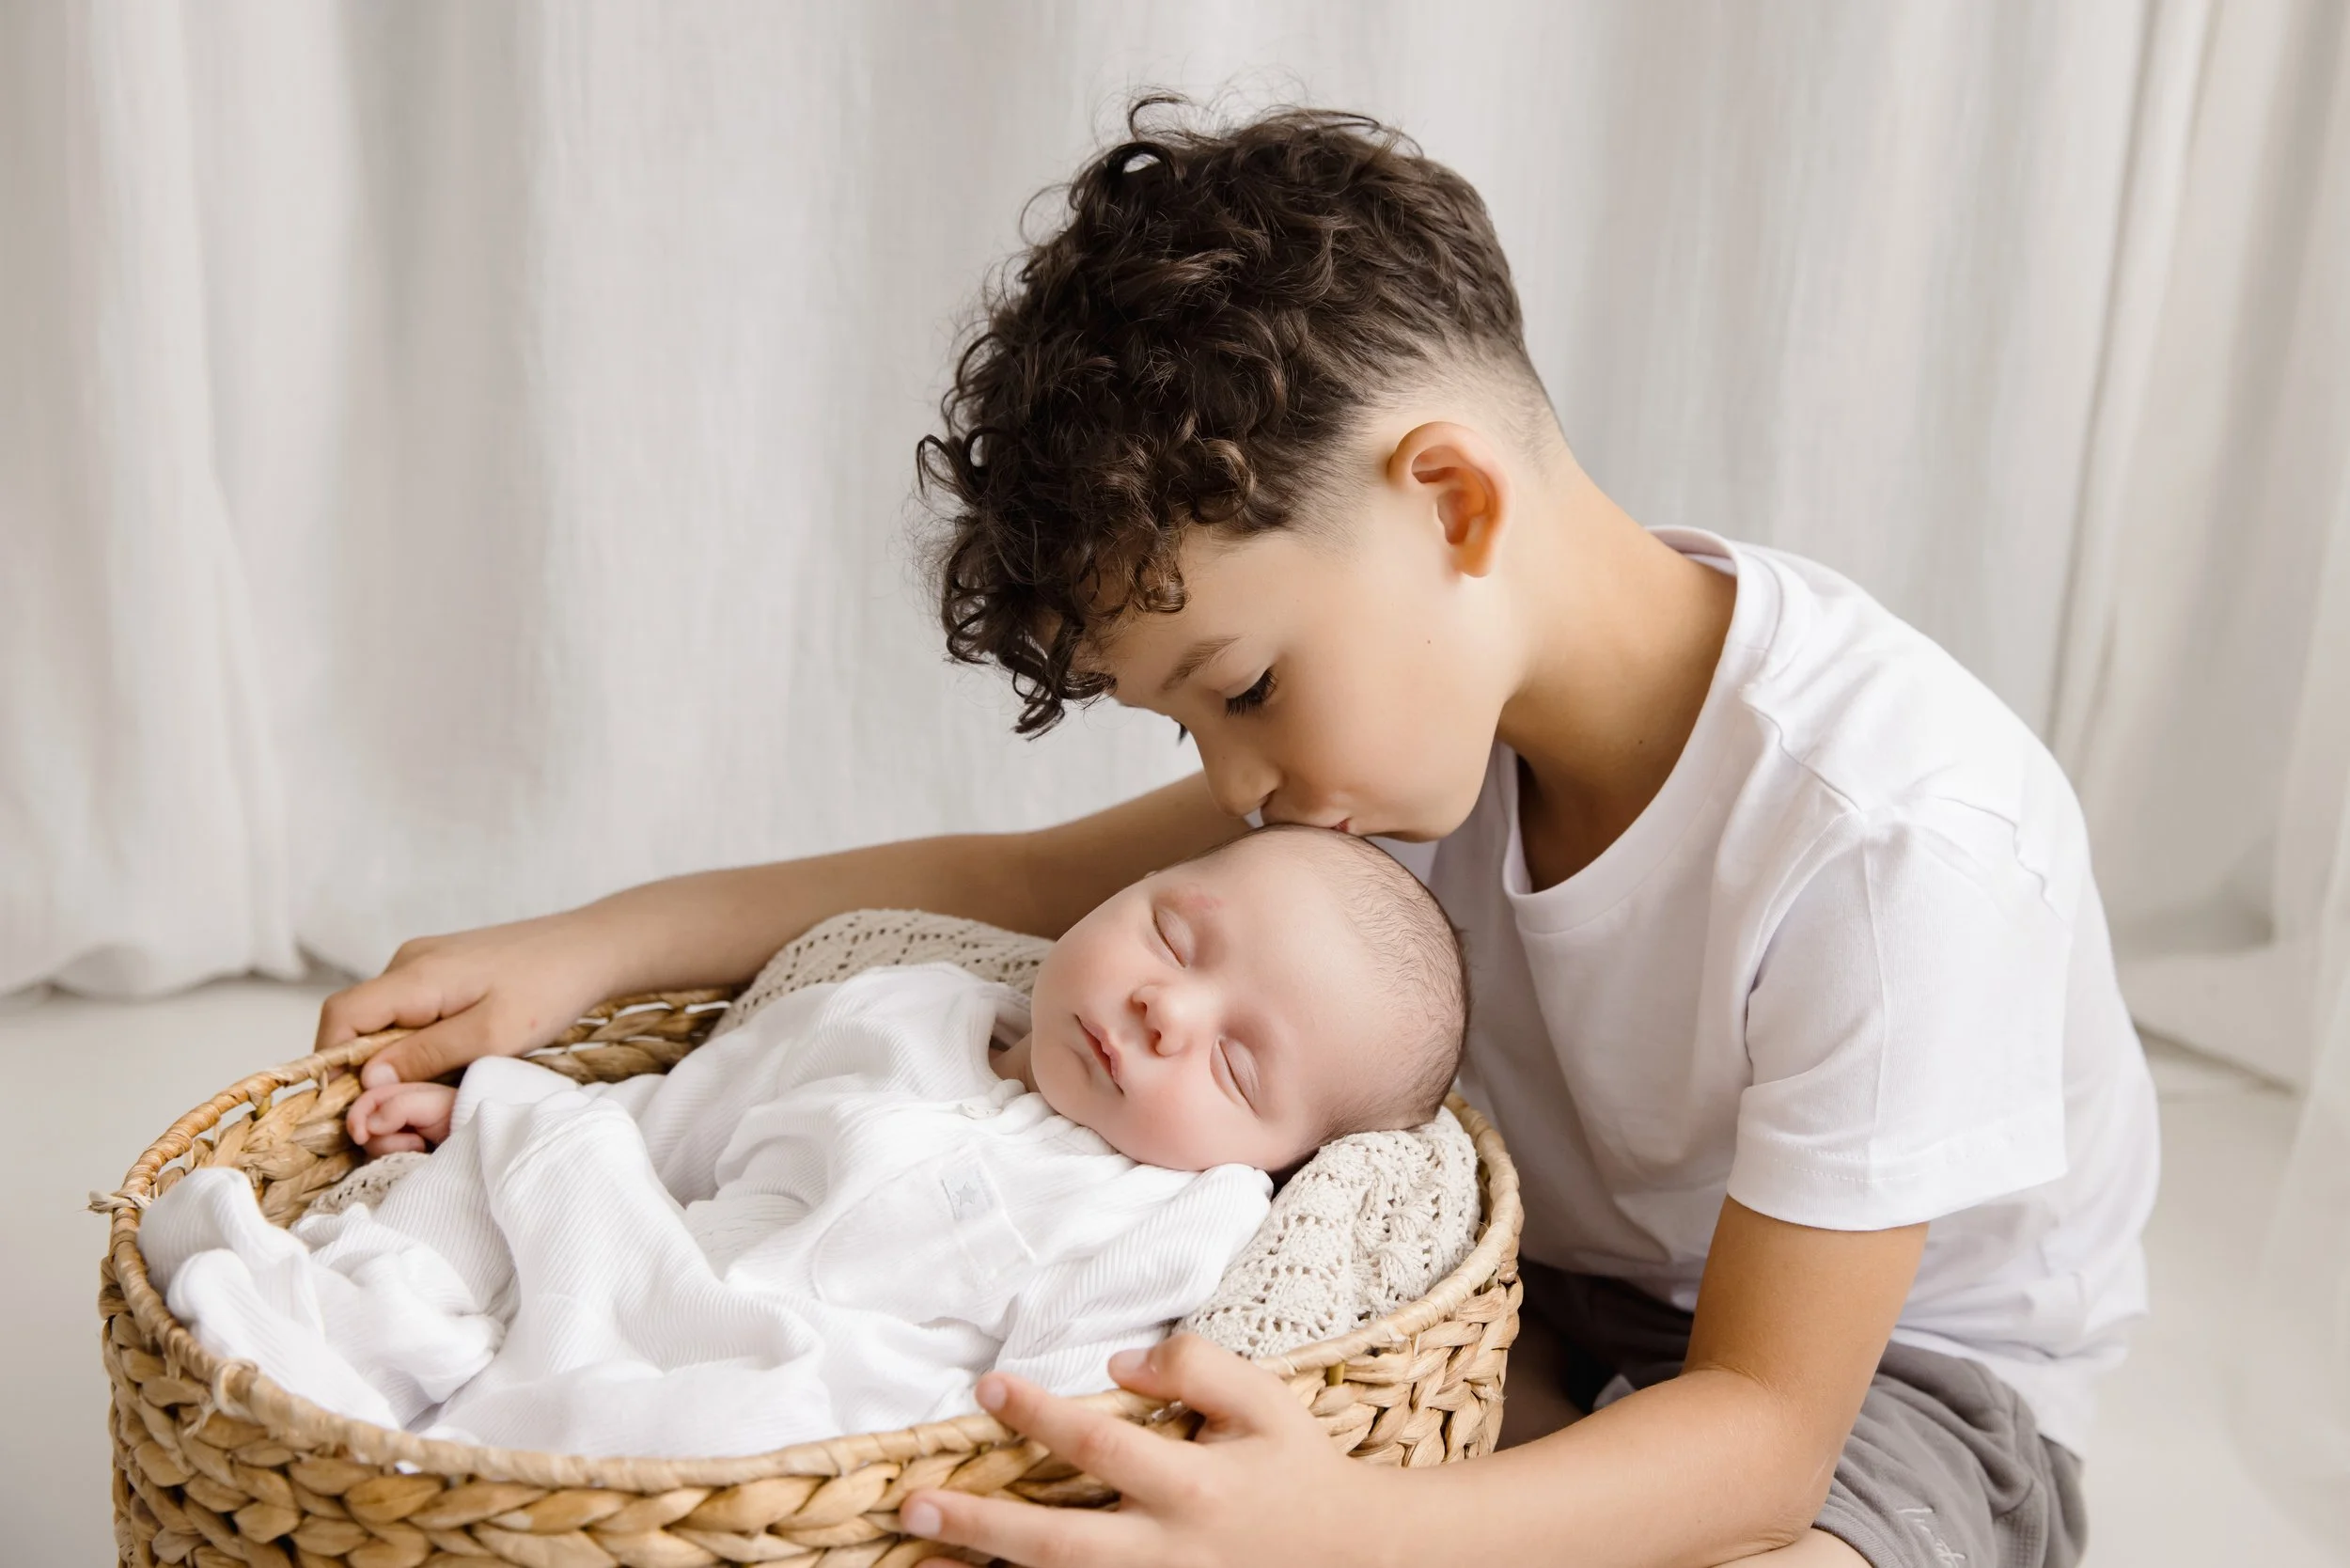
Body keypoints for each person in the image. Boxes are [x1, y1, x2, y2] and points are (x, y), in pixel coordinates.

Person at [319, 100, 2159, 1568]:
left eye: (1244, 685)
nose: (1240, 782)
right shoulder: (1411, 745)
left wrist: (1361, 1530)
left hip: (1877, 1396)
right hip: (1522, 1295)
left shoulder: (1890, 837)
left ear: (1445, 499)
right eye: (1189, 724)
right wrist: (590, 945)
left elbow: (1762, 1435)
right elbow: (1001, 887)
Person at [149, 825, 1468, 1456]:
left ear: (1282, 1157)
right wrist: (485, 1121)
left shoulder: (1179, 1216)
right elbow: (680, 1120)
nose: (1160, 1008)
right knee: (517, 1169)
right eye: (1173, 938)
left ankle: (496, 1445)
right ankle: (347, 1365)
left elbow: (1068, 1402)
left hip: (814, 1401)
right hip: (633, 1260)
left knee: (715, 1422)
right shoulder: (906, 1006)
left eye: (1237, 1063)